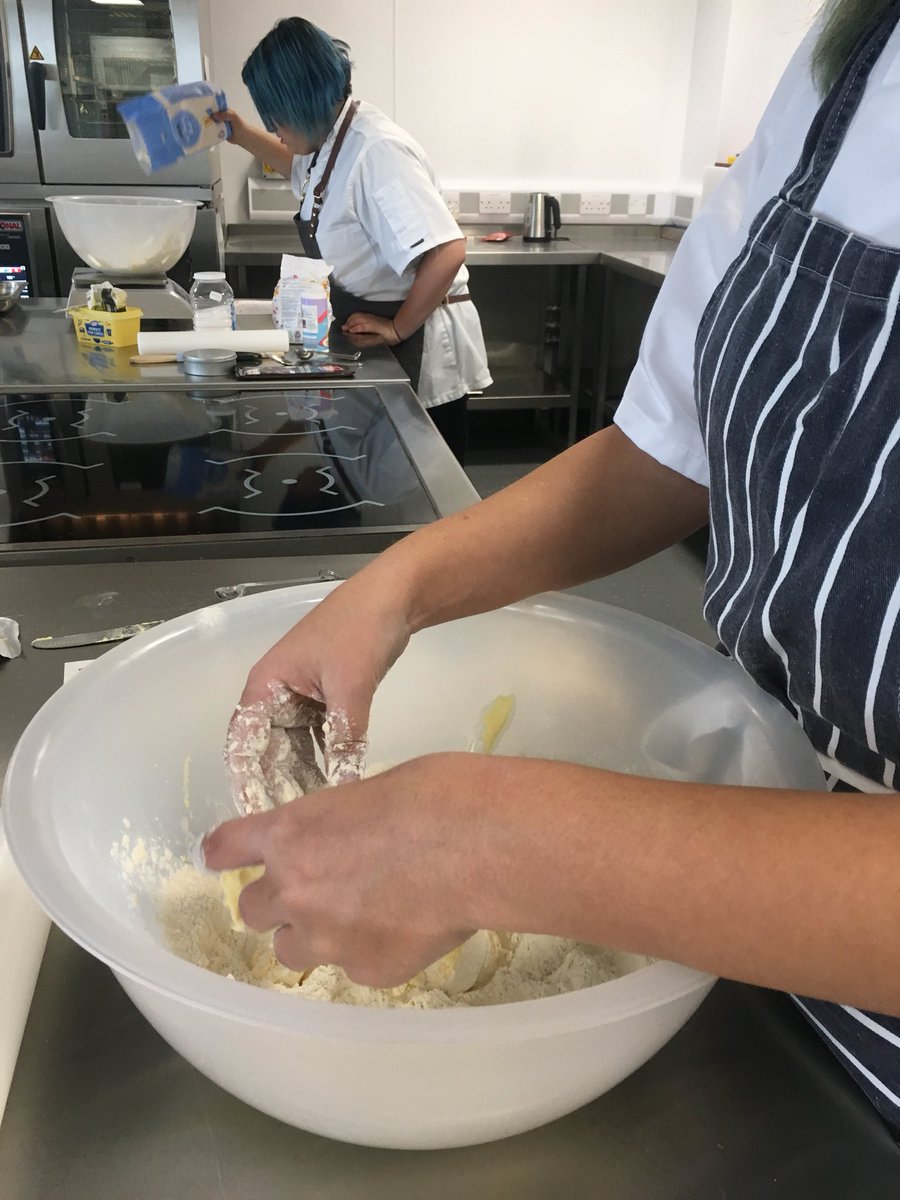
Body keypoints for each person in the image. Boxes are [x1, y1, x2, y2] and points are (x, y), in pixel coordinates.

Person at [204, 1, 900, 1132]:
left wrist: (496, 843)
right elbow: (668, 447)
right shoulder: (848, 56)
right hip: (731, 941)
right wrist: (395, 590)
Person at [214, 18, 491, 465]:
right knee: (374, 470)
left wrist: (399, 327)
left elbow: (446, 252)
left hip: (418, 341)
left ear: (301, 101)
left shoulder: (376, 151)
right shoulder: (333, 140)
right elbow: (299, 168)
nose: (274, 127)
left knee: (419, 480)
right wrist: (239, 132)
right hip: (378, 331)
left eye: (275, 116)